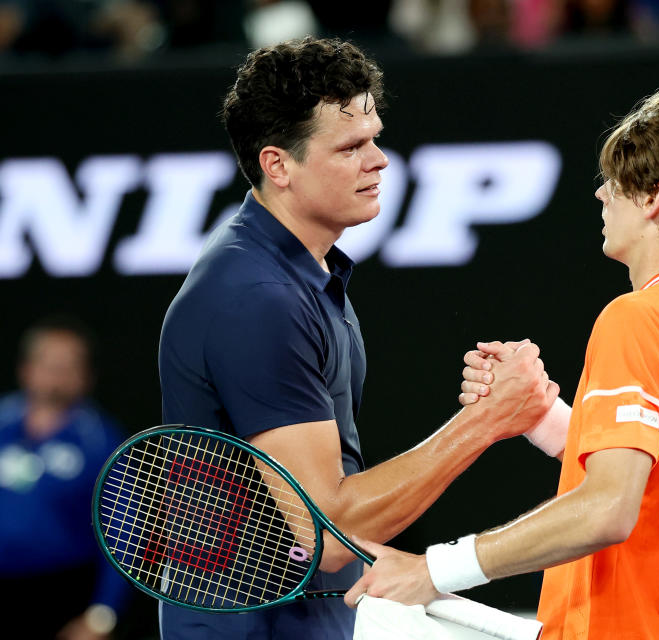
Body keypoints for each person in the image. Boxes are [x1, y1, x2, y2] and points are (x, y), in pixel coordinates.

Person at [344, 90, 659, 640]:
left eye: (616, 182)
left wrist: (433, 570)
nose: (602, 193)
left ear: (654, 197)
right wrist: (540, 415)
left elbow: (608, 508)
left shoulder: (640, 318)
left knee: (370, 616)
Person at [157, 36, 556, 640]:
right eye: (350, 147)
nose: (379, 160)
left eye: (374, 137)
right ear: (278, 165)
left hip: (306, 615)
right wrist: (488, 420)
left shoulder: (301, 270)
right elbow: (326, 538)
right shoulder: (257, 299)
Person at [0, 317, 128, 639]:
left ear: (86, 377)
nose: (57, 375)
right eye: (48, 364)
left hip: (64, 595)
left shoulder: (103, 441)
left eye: (69, 366)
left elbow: (122, 535)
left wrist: (102, 615)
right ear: (26, 369)